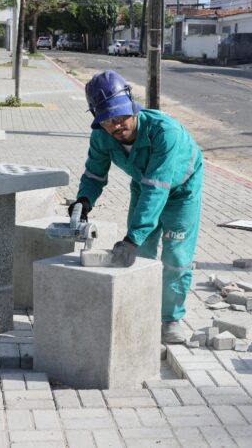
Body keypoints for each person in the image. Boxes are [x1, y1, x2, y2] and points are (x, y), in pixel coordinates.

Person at [68, 70, 203, 344]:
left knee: (175, 257)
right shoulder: (102, 137)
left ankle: (170, 319)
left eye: (120, 117)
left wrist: (132, 236)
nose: (115, 126)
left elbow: (159, 186)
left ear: (132, 106)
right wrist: (84, 200)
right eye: (107, 121)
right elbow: (94, 174)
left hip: (181, 190)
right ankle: (139, 311)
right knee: (141, 253)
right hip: (145, 183)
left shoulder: (166, 133)